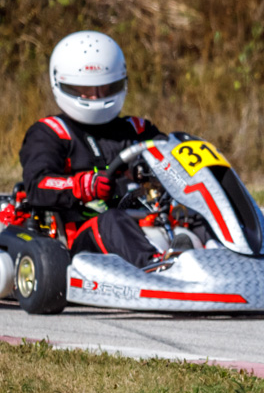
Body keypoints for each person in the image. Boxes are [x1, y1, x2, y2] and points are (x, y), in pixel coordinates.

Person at [18, 31, 162, 267]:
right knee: (112, 220)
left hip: (148, 222)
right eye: (84, 89)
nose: (96, 97)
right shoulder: (50, 132)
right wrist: (84, 185)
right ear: (63, 84)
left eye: (105, 87)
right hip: (82, 239)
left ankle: (224, 255)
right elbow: (38, 185)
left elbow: (173, 159)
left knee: (193, 216)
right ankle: (157, 270)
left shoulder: (137, 130)